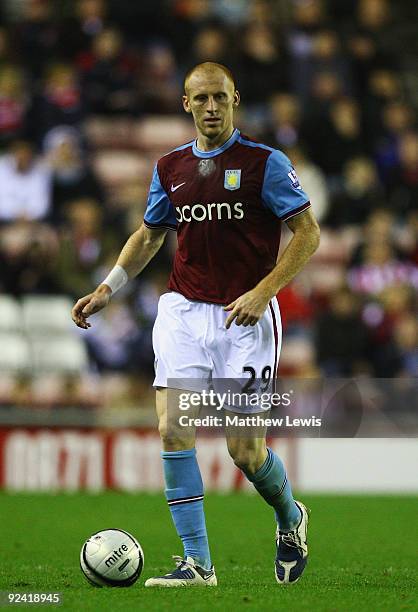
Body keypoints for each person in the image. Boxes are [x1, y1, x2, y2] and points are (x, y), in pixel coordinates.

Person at [71, 62, 320, 587]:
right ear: (186, 104)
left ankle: (290, 517)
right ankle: (197, 564)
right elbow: (149, 235)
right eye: (201, 98)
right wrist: (106, 289)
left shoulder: (264, 164)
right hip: (183, 310)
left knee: (244, 451)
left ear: (235, 101)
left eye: (220, 98)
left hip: (245, 317)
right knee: (172, 426)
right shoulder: (169, 167)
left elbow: (308, 234)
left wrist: (265, 290)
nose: (211, 107)